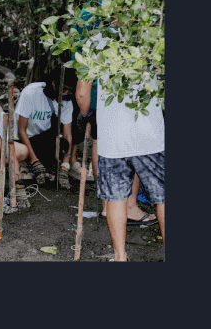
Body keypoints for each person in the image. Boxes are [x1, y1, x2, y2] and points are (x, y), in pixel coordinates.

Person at [77, 69, 164, 261]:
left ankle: (120, 257)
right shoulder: (155, 39)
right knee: (163, 198)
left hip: (112, 136)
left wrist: (85, 116)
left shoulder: (96, 41)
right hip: (150, 134)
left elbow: (82, 93)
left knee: (115, 198)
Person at [14, 73, 68, 185]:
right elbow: (21, 130)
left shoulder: (67, 99)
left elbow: (68, 134)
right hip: (24, 139)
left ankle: (45, 165)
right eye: (65, 89)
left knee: (63, 144)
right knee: (24, 151)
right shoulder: (31, 92)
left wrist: (65, 166)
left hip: (42, 139)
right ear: (53, 84)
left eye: (69, 90)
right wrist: (34, 160)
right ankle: (26, 162)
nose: (66, 93)